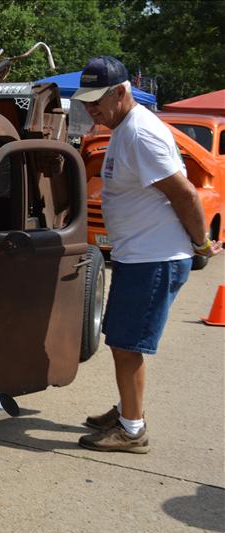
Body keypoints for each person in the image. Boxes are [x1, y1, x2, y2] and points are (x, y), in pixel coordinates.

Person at [73, 56, 221, 453]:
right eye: (86, 101)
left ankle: (132, 430)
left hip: (153, 258)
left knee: (127, 345)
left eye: (97, 100)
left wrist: (201, 244)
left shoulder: (140, 133)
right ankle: (127, 409)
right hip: (138, 254)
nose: (91, 108)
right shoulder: (124, 128)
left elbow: (185, 194)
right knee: (122, 341)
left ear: (122, 92)